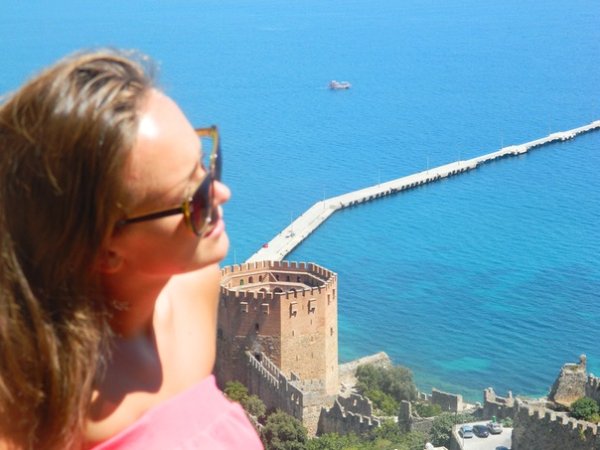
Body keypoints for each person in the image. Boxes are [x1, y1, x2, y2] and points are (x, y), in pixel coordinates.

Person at [0, 50, 264, 449]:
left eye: (207, 166)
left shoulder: (198, 289)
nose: (221, 193)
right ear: (106, 251)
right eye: (194, 201)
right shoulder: (32, 403)